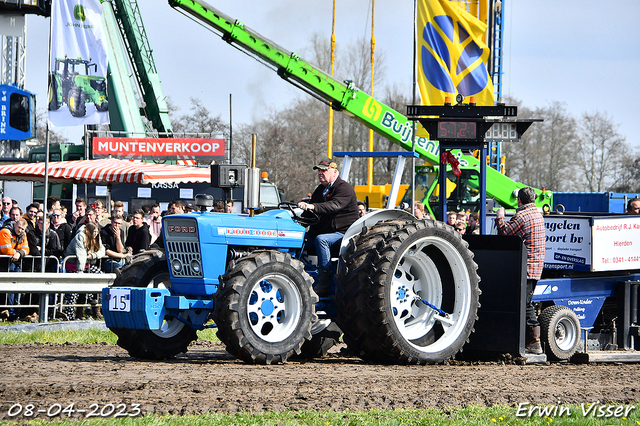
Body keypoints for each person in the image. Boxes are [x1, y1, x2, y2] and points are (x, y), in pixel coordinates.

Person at [297, 158, 359, 297]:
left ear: (334, 171)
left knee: (321, 240)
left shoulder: (344, 188)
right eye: (319, 170)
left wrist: (313, 206)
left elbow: (334, 205)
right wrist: (297, 225)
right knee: (297, 236)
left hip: (343, 234)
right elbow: (310, 212)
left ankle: (324, 283)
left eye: (324, 170)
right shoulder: (320, 190)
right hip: (323, 231)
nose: (320, 173)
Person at [495, 187, 545, 355]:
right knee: (525, 302)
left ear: (519, 200)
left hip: (527, 267)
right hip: (536, 267)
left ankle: (534, 341)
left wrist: (500, 216)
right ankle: (529, 340)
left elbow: (505, 232)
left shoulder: (523, 216)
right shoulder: (538, 214)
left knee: (524, 303)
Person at [64, 222, 105, 320]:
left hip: (87, 265)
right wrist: (81, 273)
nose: (95, 234)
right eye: (94, 232)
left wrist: (93, 256)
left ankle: (94, 306)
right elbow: (81, 255)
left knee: (101, 276)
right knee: (73, 293)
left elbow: (102, 250)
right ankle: (69, 315)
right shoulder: (80, 236)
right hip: (74, 266)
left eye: (97, 232)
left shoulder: (96, 237)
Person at [0, 219, 29, 321]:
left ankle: (13, 313)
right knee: (7, 290)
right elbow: (6, 249)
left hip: (16, 262)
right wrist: (18, 252)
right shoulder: (5, 231)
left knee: (15, 289)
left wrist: (19, 254)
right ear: (15, 225)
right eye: (19, 227)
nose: (20, 230)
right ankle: (8, 312)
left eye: (23, 229)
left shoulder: (23, 234)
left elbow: (26, 249)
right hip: (3, 263)